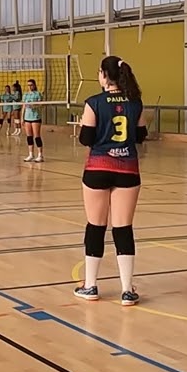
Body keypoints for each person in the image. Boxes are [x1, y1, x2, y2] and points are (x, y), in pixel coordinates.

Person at [74, 55, 147, 307]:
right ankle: (127, 290)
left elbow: (86, 138)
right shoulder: (135, 103)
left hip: (97, 167)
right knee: (123, 228)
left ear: (104, 75)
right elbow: (140, 135)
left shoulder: (93, 102)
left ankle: (90, 285)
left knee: (95, 226)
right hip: (128, 169)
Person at [22, 78, 44, 162]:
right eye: (28, 85)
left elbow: (41, 105)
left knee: (37, 136)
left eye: (31, 85)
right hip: (27, 117)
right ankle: (31, 154)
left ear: (34, 85)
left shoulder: (38, 94)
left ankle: (40, 155)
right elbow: (23, 106)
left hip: (35, 117)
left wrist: (34, 106)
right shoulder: (25, 95)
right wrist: (22, 118)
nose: (29, 87)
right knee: (29, 137)